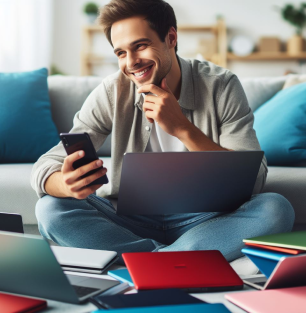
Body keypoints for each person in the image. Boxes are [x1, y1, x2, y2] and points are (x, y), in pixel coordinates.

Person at [31, 0, 294, 264]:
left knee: (275, 209)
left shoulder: (221, 86)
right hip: (129, 220)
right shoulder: (112, 91)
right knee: (50, 208)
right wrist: (65, 184)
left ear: (171, 37)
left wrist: (183, 128)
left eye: (140, 46)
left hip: (208, 218)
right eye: (121, 53)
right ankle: (175, 261)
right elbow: (46, 165)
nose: (131, 62)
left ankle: (145, 262)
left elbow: (254, 179)